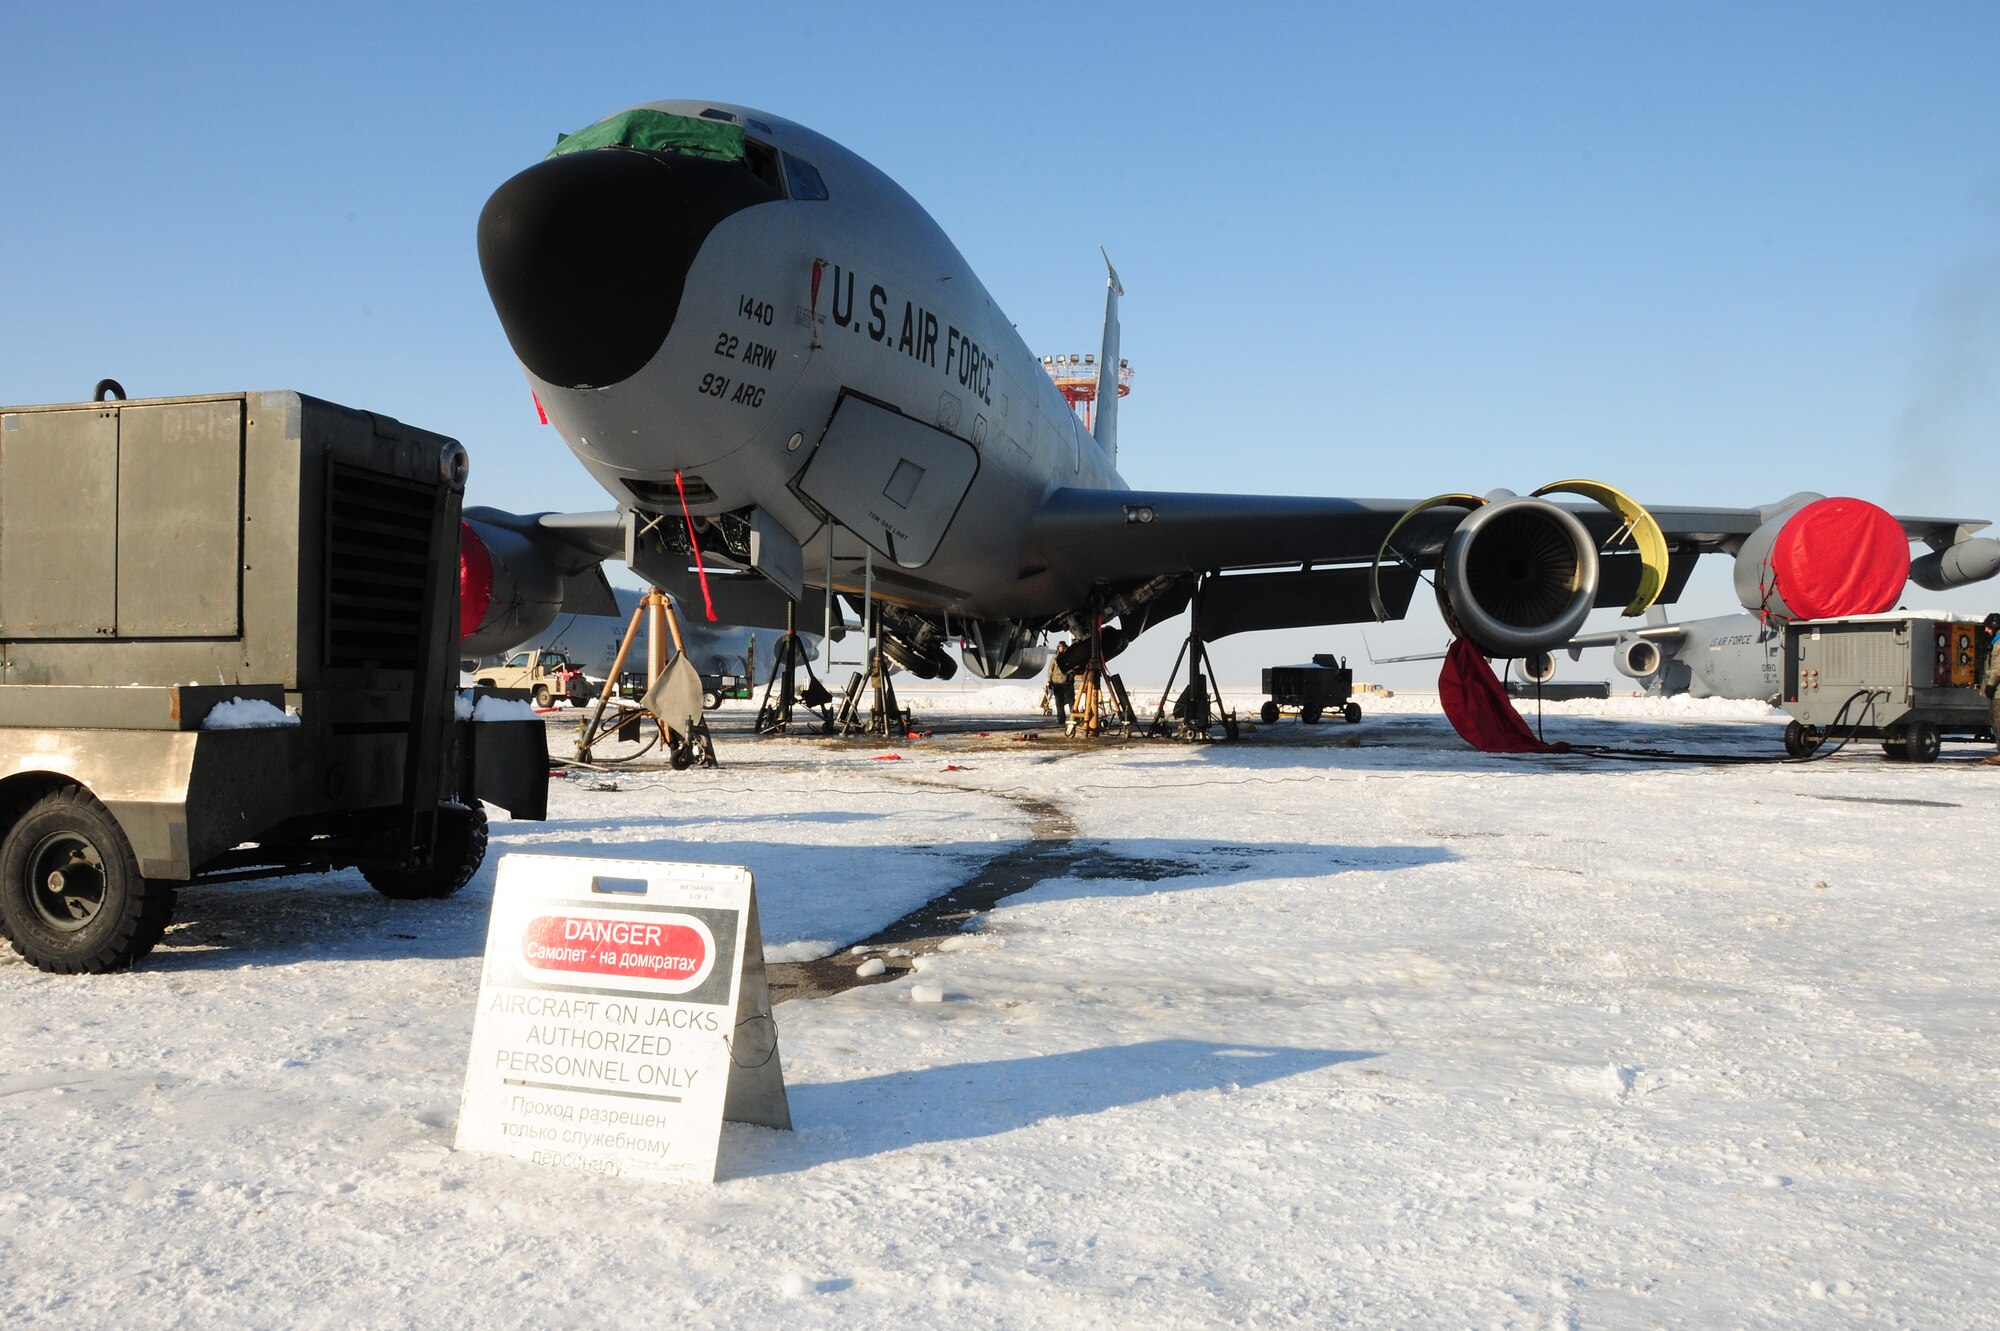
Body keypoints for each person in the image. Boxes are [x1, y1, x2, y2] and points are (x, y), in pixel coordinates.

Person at [1982, 613, 2000, 766]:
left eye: (1988, 627)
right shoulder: (1995, 641)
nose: (1987, 630)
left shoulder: (1999, 643)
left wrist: (1991, 685)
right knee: (1995, 722)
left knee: (1999, 722)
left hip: (1998, 692)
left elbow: (1997, 668)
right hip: (1996, 692)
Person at [1047, 639, 1074, 729]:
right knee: (1059, 703)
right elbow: (1050, 670)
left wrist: (1071, 677)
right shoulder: (1055, 658)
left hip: (1067, 683)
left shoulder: (1069, 657)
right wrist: (1049, 681)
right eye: (1060, 646)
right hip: (1057, 683)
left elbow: (1074, 668)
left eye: (1062, 646)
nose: (1061, 648)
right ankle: (1061, 720)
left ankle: (1074, 717)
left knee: (1071, 702)